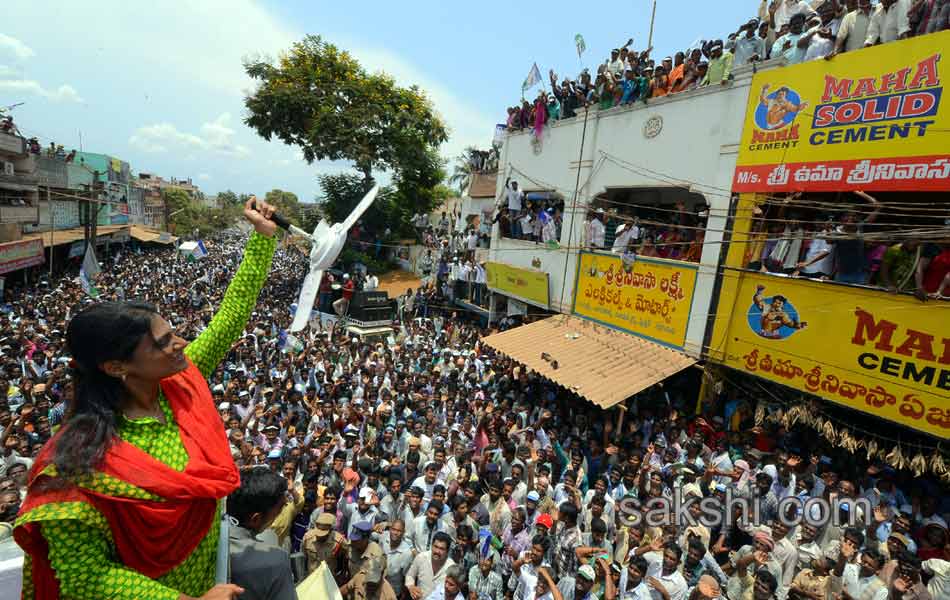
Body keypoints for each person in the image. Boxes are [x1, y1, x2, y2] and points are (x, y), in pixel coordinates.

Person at [13, 198, 278, 600]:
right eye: (164, 343)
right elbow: (86, 579)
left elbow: (229, 319)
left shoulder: (180, 383)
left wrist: (261, 238)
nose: (181, 344)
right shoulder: (72, 465)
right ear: (117, 367)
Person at [227, 468, 297, 600]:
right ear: (255, 519)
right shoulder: (276, 560)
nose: (287, 505)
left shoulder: (205, 539)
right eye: (281, 507)